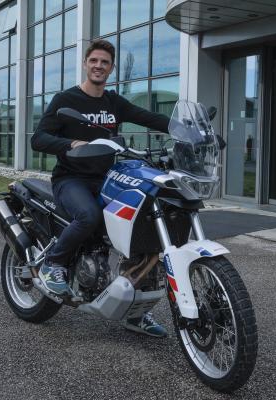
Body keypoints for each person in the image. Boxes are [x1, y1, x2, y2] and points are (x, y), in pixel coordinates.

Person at [31, 39, 169, 337]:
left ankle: (135, 311)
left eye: (104, 62)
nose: (98, 66)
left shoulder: (113, 103)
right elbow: (39, 138)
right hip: (71, 179)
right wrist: (71, 144)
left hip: (108, 179)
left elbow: (149, 118)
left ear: (111, 68)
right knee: (89, 216)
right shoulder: (65, 100)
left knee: (142, 229)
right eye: (94, 60)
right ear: (85, 63)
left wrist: (190, 131)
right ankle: (52, 264)